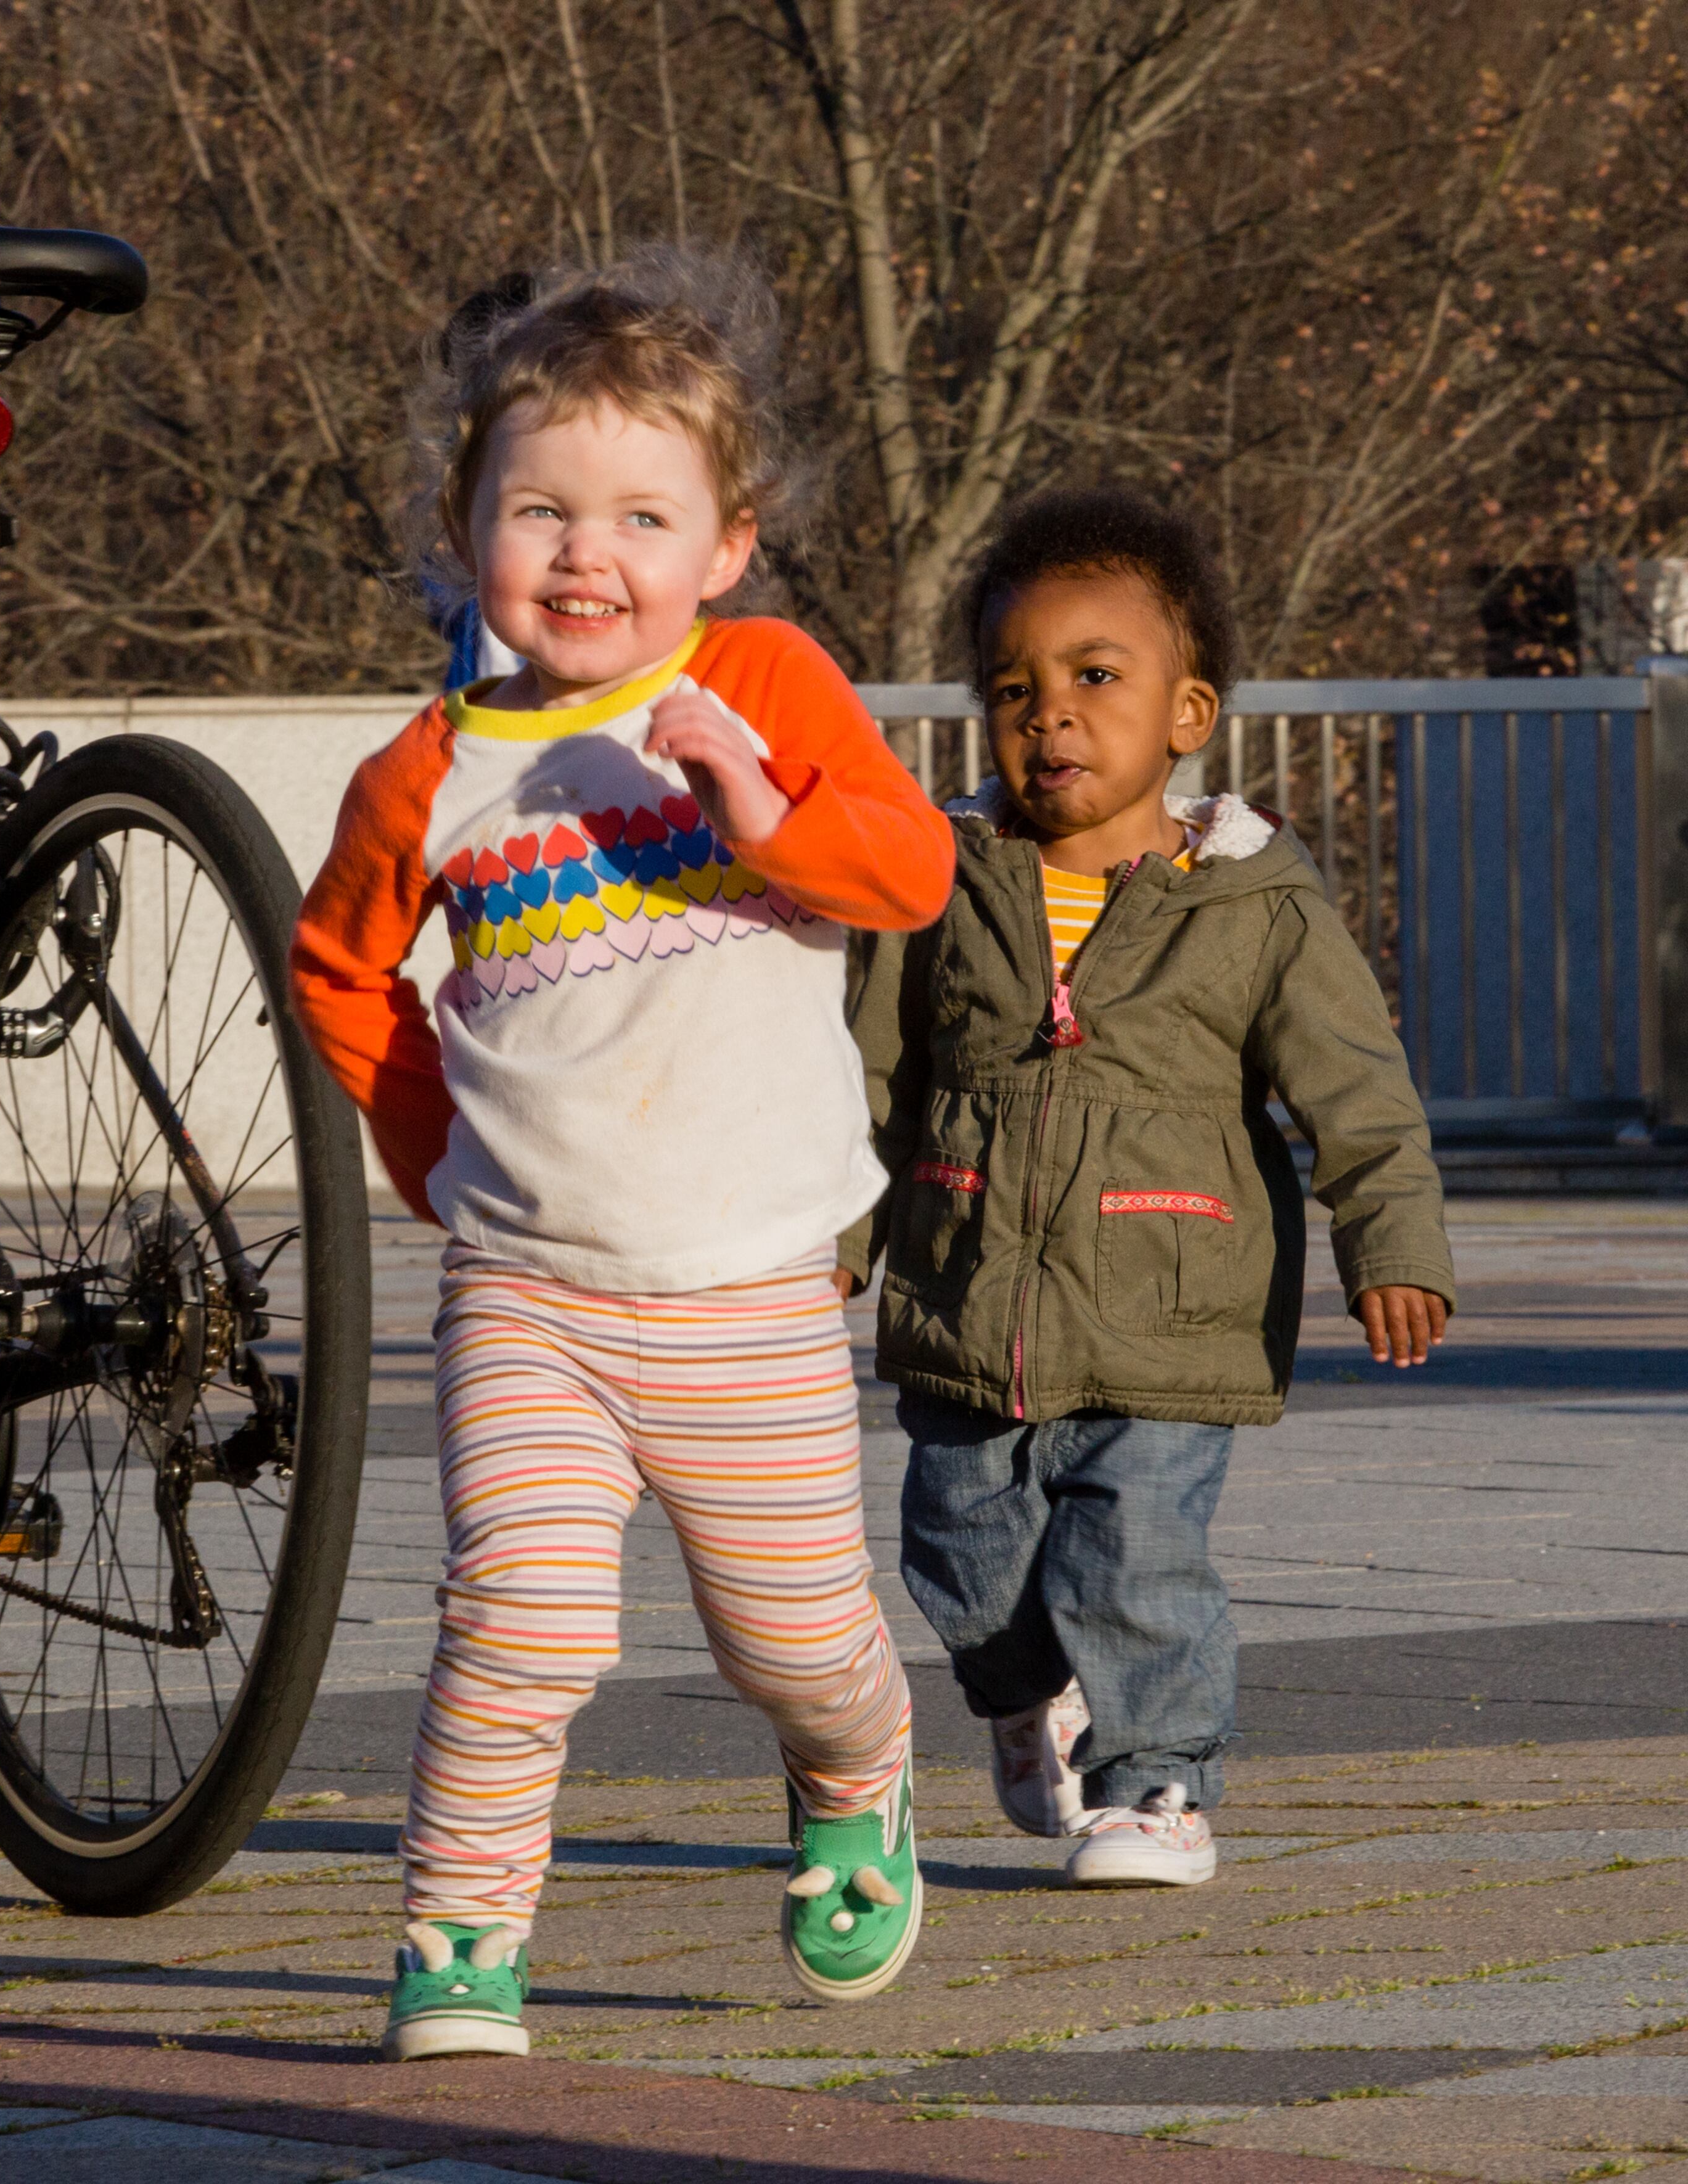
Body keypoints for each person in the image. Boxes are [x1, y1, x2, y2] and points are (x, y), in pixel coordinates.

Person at [289, 252, 955, 2063]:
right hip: (529, 1286)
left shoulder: (768, 681)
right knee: (518, 1619)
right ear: (469, 528)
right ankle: (459, 1934)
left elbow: (910, 876)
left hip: (751, 1279)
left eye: (643, 516)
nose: (590, 554)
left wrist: (762, 799)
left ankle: (856, 1769)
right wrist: (436, 1162)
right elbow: (341, 969)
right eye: (544, 511)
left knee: (798, 1640)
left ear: (724, 545)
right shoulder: (428, 771)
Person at [839, 487, 1457, 1888]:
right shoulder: (943, 883)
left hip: (1172, 1309)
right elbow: (869, 1080)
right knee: (959, 1547)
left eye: (1094, 679)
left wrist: (1391, 1240)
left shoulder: (1255, 902)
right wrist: (835, 1235)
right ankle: (1021, 1698)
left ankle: (1158, 1782)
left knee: (1136, 1552)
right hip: (967, 1290)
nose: (1050, 715)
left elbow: (1359, 1087)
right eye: (1016, 687)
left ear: (1187, 714)